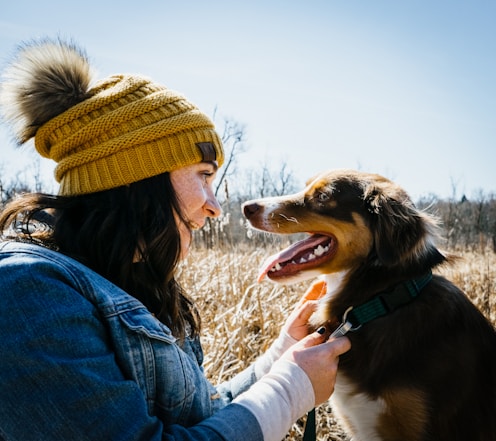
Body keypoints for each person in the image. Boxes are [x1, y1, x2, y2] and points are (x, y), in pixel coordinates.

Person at [0, 38, 351, 441]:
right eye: (203, 174)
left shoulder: (133, 284)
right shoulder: (24, 292)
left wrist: (281, 358)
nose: (215, 206)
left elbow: (206, 417)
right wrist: (289, 392)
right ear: (134, 176)